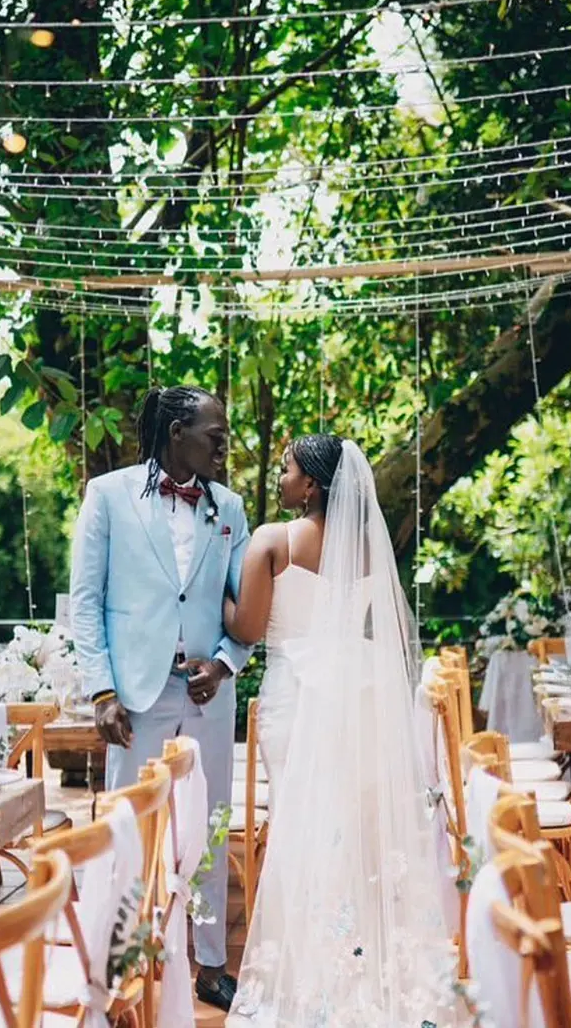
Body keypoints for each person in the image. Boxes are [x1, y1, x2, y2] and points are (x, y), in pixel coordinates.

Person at [224, 435, 453, 1027]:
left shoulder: (272, 541)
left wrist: (214, 599)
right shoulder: (370, 550)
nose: (279, 478)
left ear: (311, 485)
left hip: (295, 698)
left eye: (286, 468)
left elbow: (246, 628)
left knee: (300, 828)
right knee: (352, 831)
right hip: (357, 697)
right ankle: (364, 966)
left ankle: (311, 979)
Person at [70, 385, 253, 1013]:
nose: (224, 447)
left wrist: (225, 665)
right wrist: (101, 690)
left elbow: (249, 607)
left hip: (207, 694)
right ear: (178, 434)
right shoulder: (107, 495)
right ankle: (114, 962)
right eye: (215, 436)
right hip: (133, 696)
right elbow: (86, 603)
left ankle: (211, 964)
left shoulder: (229, 508)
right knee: (127, 825)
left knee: (211, 824)